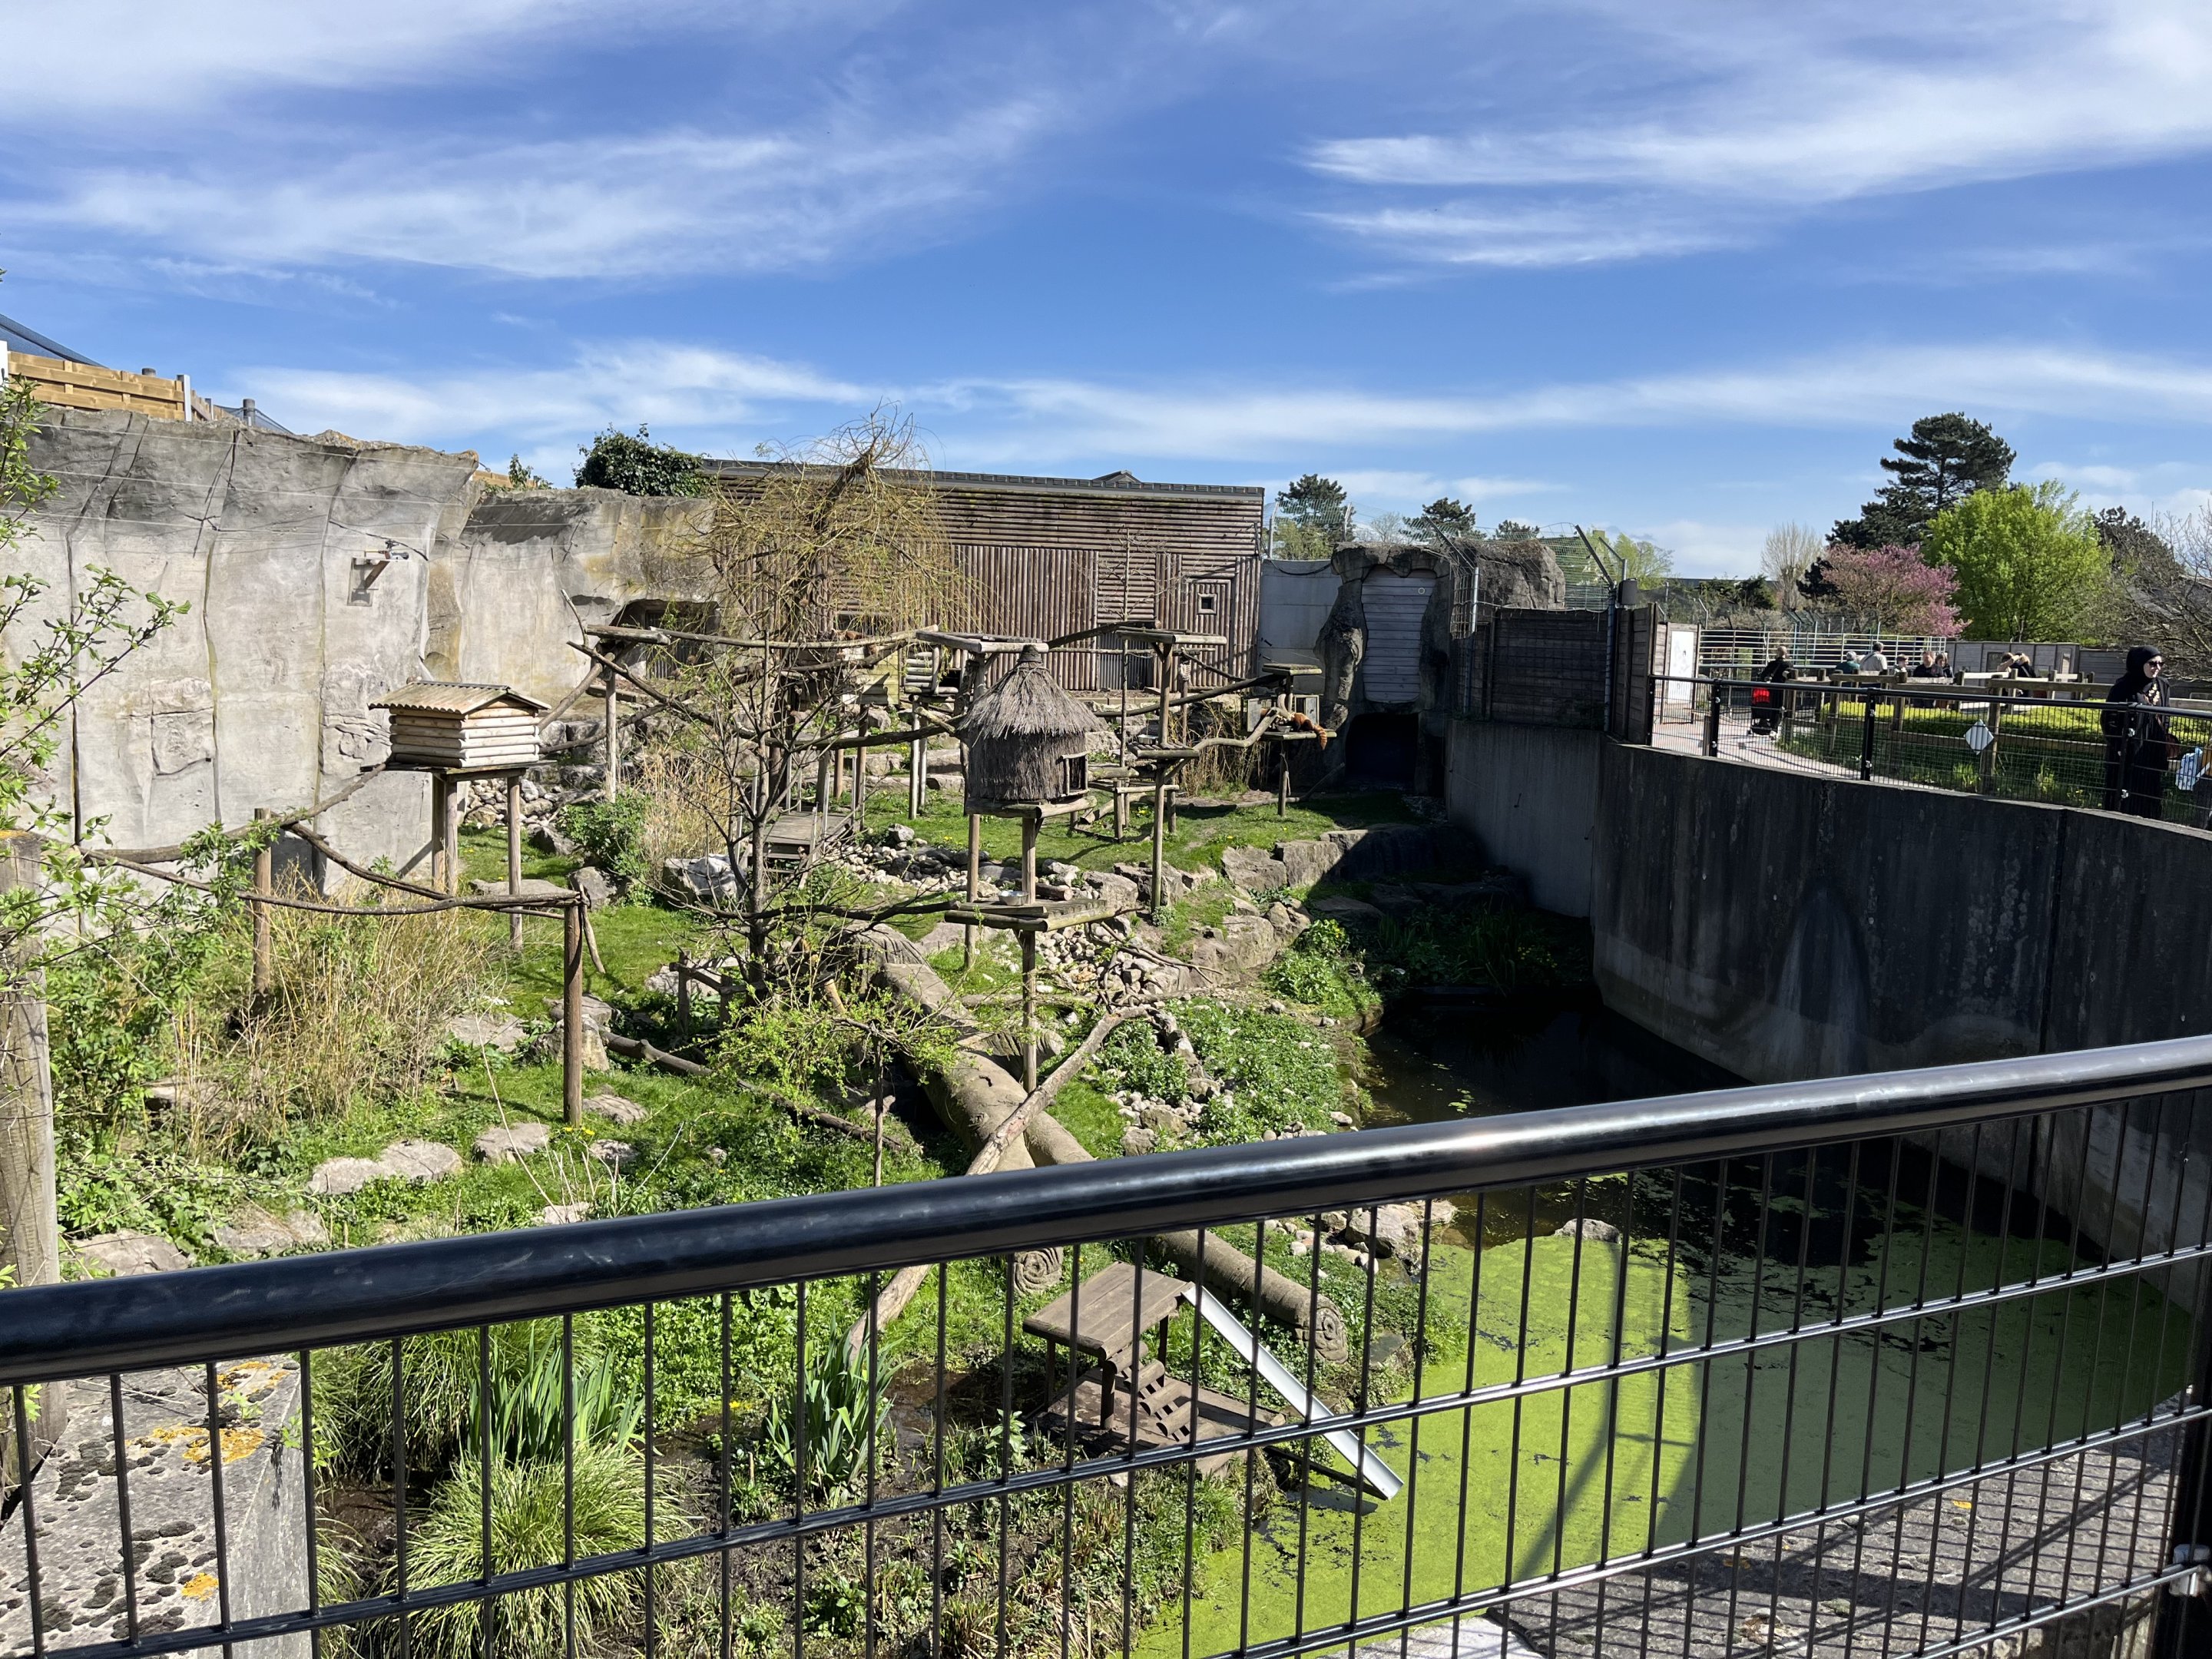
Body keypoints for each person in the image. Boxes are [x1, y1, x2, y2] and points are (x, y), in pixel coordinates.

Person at [2102, 646, 2174, 818]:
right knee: (2124, 794)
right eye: (2152, 664)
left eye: (2160, 664)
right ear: (2139, 664)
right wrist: (2120, 745)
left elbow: (2166, 715)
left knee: (2150, 795)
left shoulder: (2163, 685)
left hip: (2151, 750)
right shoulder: (2123, 687)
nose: (2157, 668)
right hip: (2129, 752)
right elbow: (2109, 718)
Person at [1751, 647, 1795, 735]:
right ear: (1786, 654)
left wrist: (1767, 679)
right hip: (1784, 690)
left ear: (1777, 653)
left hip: (1772, 689)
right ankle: (1775, 729)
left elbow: (1763, 676)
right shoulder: (1789, 665)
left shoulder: (1772, 664)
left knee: (1773, 707)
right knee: (1780, 708)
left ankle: (1772, 727)